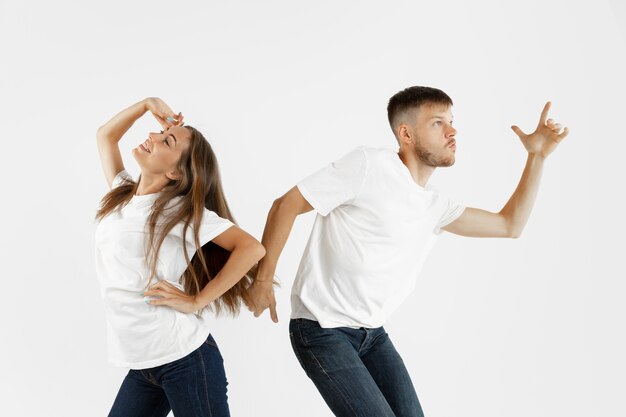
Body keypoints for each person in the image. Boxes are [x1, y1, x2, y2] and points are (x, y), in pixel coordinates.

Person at [248, 86, 569, 417]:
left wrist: (537, 156)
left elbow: (509, 225)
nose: (452, 130)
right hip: (321, 329)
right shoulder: (369, 165)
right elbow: (285, 205)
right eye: (437, 123)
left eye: (452, 121)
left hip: (372, 335)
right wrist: (262, 279)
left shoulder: (434, 206)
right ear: (406, 134)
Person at [95, 97, 265, 417]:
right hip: (143, 367)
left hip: (184, 360)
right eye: (160, 133)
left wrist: (196, 301)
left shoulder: (177, 213)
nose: (154, 137)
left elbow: (252, 248)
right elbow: (105, 135)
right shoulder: (122, 195)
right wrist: (147, 105)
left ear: (175, 172)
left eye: (167, 140)